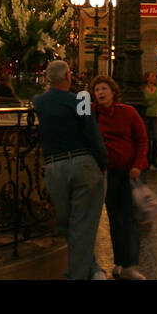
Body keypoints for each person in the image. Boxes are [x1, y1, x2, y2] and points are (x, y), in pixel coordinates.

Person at [33, 61, 108, 280]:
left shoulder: (39, 101)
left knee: (67, 222)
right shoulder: (81, 100)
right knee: (82, 224)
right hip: (83, 164)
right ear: (67, 75)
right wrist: (102, 162)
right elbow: (92, 132)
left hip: (54, 167)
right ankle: (79, 274)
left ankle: (92, 269)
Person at [89, 75, 148, 280]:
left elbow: (142, 140)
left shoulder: (128, 112)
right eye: (97, 90)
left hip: (130, 172)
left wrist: (138, 165)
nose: (101, 93)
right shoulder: (92, 114)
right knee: (115, 219)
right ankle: (119, 262)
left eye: (104, 89)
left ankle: (130, 264)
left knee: (130, 218)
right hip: (108, 174)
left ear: (113, 92)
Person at [140, 71, 157, 178]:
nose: (154, 78)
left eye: (155, 76)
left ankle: (154, 158)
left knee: (156, 138)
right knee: (146, 139)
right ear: (147, 78)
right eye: (152, 76)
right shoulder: (142, 89)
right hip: (146, 116)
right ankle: (147, 160)